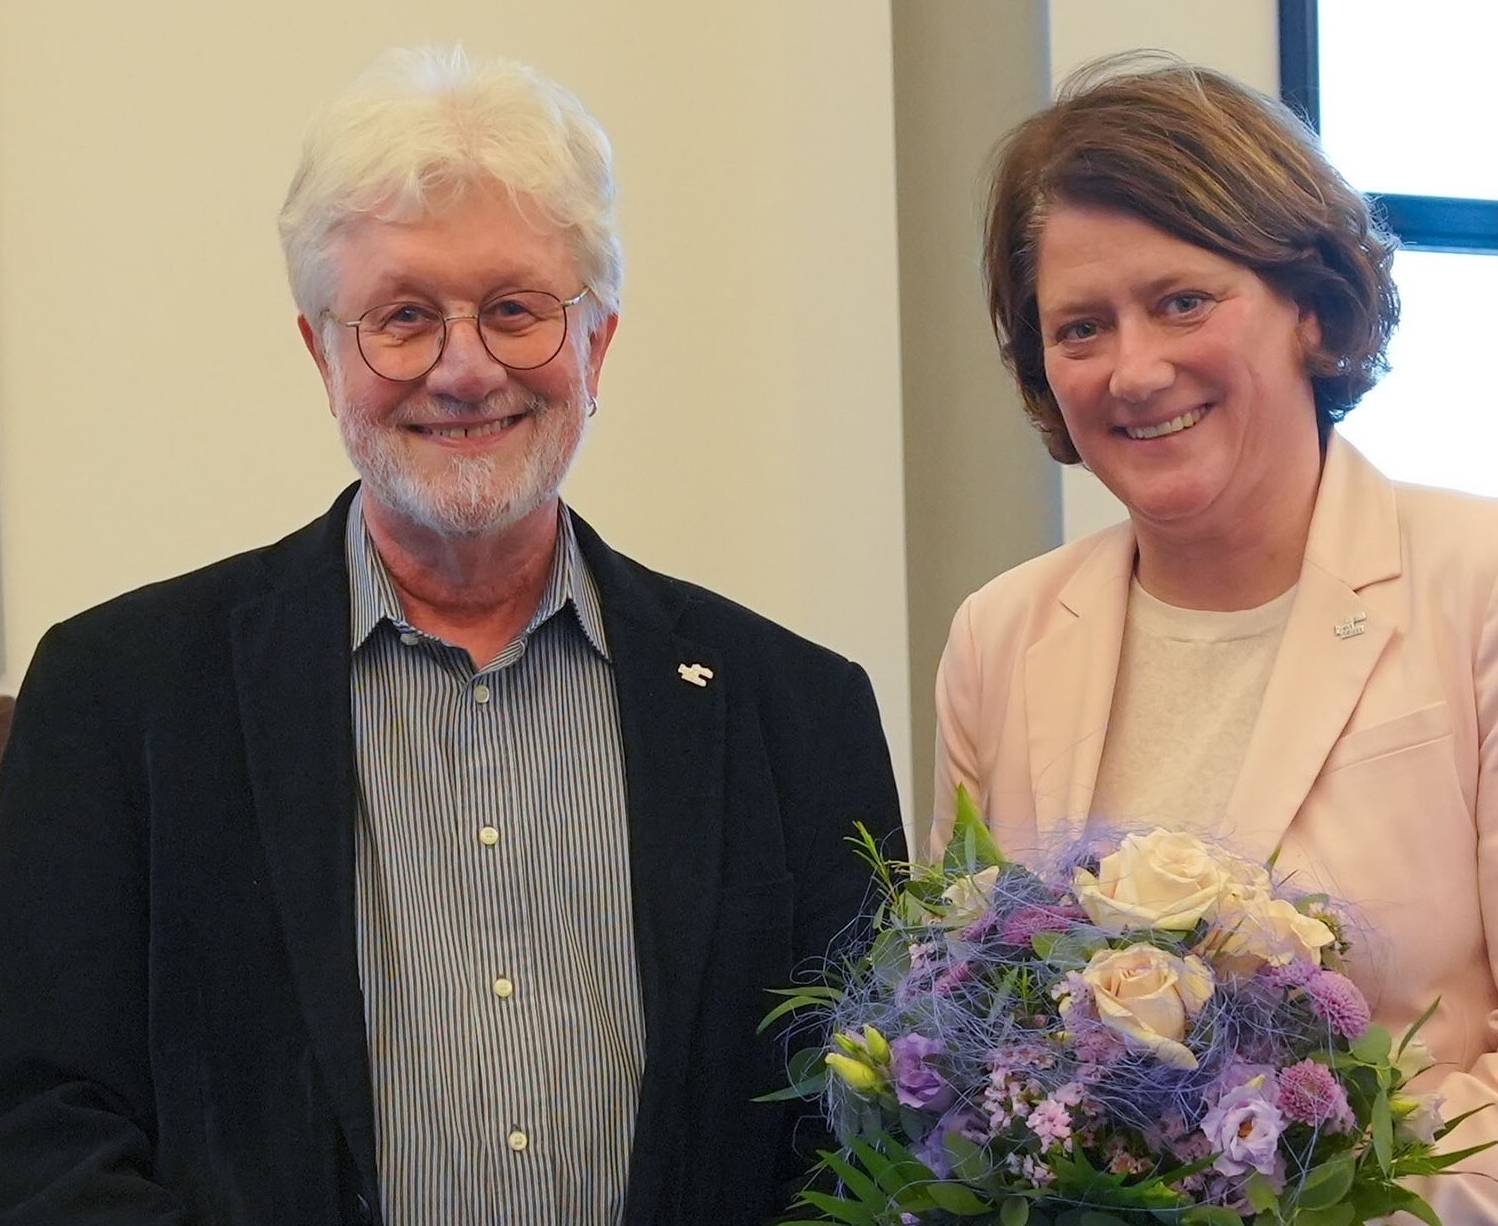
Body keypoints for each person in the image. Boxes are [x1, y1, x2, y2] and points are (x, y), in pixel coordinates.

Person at [0, 46, 901, 1225]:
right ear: (322, 352)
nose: (464, 367)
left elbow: (863, 1138)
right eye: (403, 316)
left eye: (517, 309)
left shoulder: (800, 710)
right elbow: (41, 1122)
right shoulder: (120, 696)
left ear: (599, 345)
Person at [925, 55, 1498, 1225]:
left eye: (1182, 300)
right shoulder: (1001, 633)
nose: (1134, 368)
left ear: (1312, 309)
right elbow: (971, 1026)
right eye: (1079, 327)